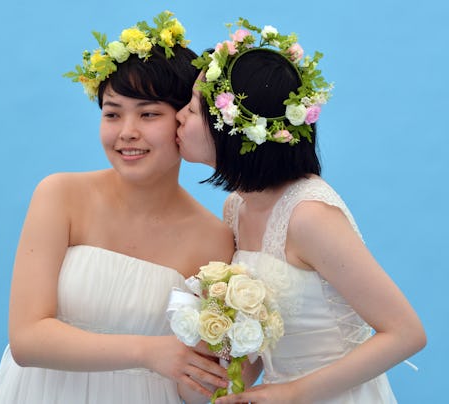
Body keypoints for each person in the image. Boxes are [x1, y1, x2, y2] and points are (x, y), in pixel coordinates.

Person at [0, 11, 234, 404]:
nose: (127, 132)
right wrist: (148, 352)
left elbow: (196, 386)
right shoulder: (61, 196)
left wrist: (239, 349)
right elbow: (27, 339)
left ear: (185, 120)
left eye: (148, 114)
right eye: (112, 114)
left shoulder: (214, 239)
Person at [176, 18, 426, 403]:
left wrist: (293, 392)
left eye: (193, 109)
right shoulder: (236, 207)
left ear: (230, 131)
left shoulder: (309, 216)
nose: (179, 116)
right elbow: (266, 340)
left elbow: (406, 333)